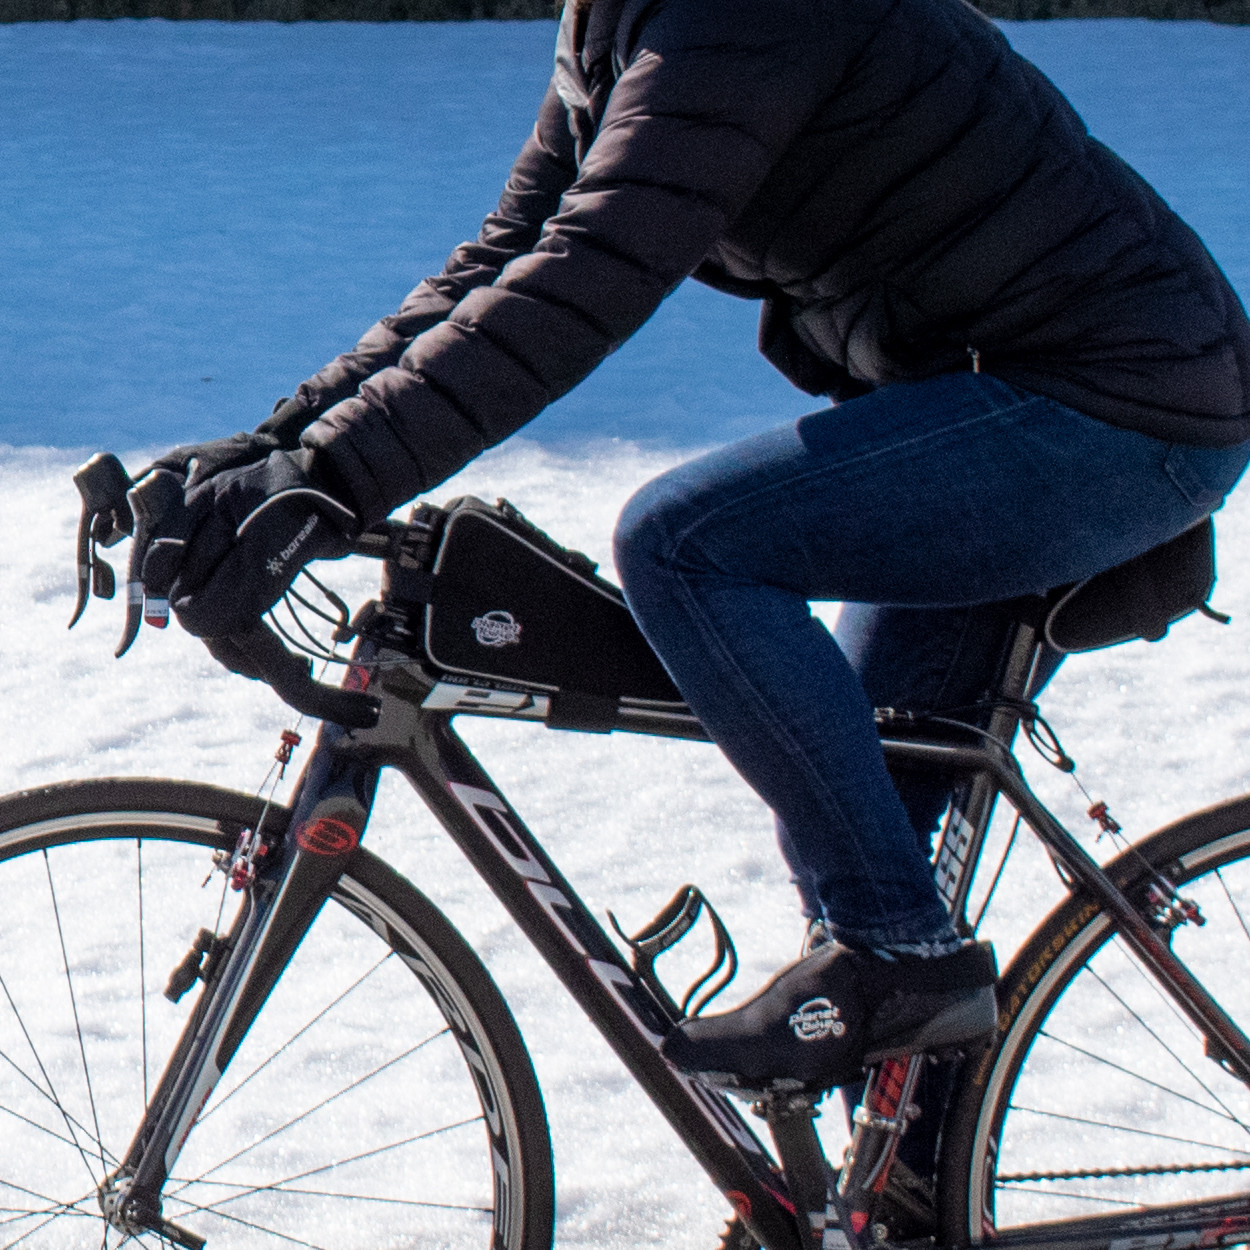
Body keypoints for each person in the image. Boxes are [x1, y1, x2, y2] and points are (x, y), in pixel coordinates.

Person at [137, 0, 1250, 1124]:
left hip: (1111, 410)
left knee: (685, 545)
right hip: (1014, 392)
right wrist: (276, 449)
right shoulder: (621, 18)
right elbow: (509, 251)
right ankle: (896, 1180)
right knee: (861, 823)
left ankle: (899, 952)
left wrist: (334, 478)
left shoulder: (734, 18)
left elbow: (590, 271)